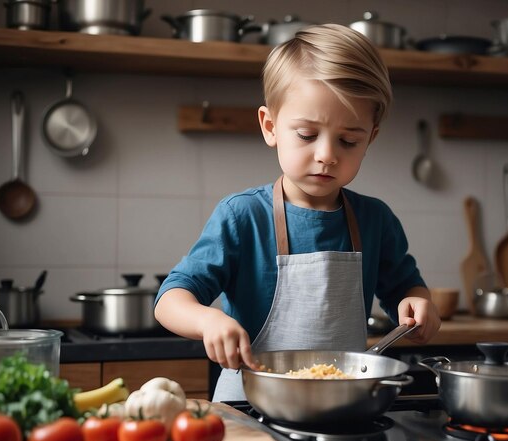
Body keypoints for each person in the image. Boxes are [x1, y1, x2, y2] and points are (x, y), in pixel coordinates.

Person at [154, 23, 441, 401]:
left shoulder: (376, 220)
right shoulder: (242, 217)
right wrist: (209, 320)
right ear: (270, 126)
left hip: (344, 405)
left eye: (348, 140)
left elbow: (406, 289)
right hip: (249, 405)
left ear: (370, 138)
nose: (326, 154)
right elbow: (170, 300)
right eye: (307, 135)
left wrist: (420, 305)